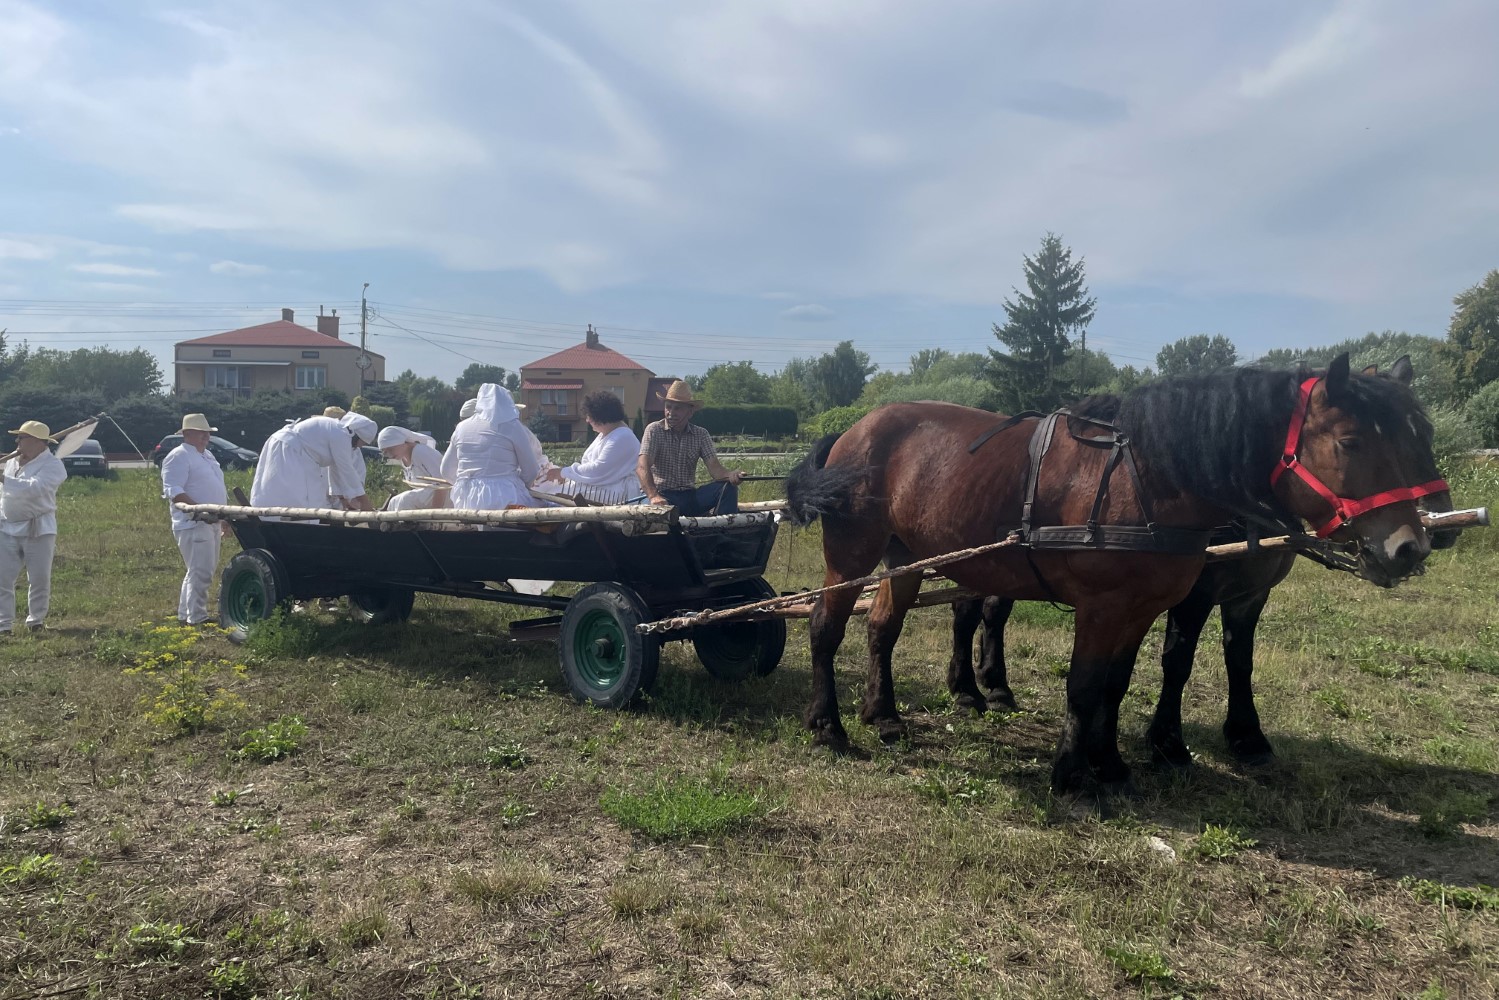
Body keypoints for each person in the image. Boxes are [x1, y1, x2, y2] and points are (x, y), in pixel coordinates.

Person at [0, 420, 68, 633]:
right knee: (3, 577)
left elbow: (35, 488)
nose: (18, 441)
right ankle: (4, 624)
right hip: (6, 526)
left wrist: (2, 479)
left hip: (38, 528)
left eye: (22, 437)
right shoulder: (12, 461)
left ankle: (35, 620)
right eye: (18, 437)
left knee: (38, 577)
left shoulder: (54, 466)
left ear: (38, 442)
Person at [161, 413, 229, 625]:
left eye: (207, 432)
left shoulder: (207, 456)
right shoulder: (178, 455)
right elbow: (173, 490)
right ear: (187, 434)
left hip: (213, 520)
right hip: (194, 522)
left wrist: (225, 517)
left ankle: (186, 614)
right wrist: (197, 510)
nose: (205, 436)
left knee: (198, 570)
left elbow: (217, 488)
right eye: (201, 433)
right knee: (202, 571)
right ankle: (197, 617)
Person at [637, 380, 743, 515]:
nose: (671, 412)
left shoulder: (701, 434)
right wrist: (653, 496)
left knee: (728, 489)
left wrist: (731, 475)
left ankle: (724, 532)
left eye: (678, 408)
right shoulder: (654, 430)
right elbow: (642, 467)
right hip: (663, 495)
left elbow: (716, 471)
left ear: (690, 412)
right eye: (668, 407)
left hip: (690, 496)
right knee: (657, 510)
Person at [251, 411, 378, 511]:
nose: (360, 447)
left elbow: (336, 471)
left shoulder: (337, 431)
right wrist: (366, 504)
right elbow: (347, 471)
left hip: (291, 449)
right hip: (291, 451)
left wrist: (343, 500)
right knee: (296, 496)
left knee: (301, 495)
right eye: (362, 443)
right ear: (357, 435)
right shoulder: (341, 435)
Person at [440, 383, 541, 510]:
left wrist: (465, 483)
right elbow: (531, 470)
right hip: (504, 496)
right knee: (546, 506)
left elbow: (445, 470)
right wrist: (519, 485)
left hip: (465, 499)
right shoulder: (512, 425)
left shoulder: (461, 427)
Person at [541, 391, 641, 503]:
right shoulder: (607, 433)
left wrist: (563, 472)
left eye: (589, 417)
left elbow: (598, 471)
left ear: (601, 417)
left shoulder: (623, 437)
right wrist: (566, 475)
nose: (587, 420)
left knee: (551, 497)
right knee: (547, 491)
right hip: (602, 486)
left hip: (616, 492)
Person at [377, 425, 448, 511]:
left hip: (445, 497)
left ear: (403, 443)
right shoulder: (403, 459)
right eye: (385, 452)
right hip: (428, 498)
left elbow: (443, 483)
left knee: (405, 499)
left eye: (391, 449)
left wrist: (435, 512)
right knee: (394, 501)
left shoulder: (421, 452)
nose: (389, 455)